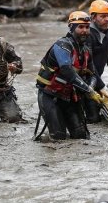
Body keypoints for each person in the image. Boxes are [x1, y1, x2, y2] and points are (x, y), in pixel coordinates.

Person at [36, 11, 103, 140]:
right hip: (51, 97)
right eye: (80, 27)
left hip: (70, 98)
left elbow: (93, 75)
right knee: (59, 138)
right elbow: (67, 71)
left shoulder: (86, 51)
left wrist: (91, 88)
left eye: (87, 27)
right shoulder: (62, 45)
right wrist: (88, 90)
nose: (84, 31)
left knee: (81, 136)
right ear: (72, 28)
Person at [84, 0, 108, 123]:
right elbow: (88, 65)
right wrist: (102, 86)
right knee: (93, 119)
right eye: (102, 16)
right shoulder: (87, 35)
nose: (107, 19)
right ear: (93, 17)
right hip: (84, 82)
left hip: (96, 80)